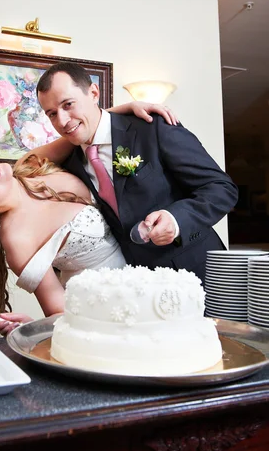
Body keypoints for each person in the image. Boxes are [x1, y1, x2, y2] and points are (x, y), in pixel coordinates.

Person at [0, 101, 176, 335]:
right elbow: (58, 311)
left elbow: (81, 129)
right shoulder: (18, 240)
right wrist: (35, 327)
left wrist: (129, 107)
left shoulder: (28, 165)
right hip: (108, 309)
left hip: (149, 271)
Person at [35, 62, 239, 288]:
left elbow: (221, 188)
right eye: (52, 114)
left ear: (94, 93)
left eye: (68, 104)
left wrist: (176, 219)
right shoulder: (70, 163)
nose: (62, 121)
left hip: (200, 275)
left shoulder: (152, 128)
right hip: (137, 288)